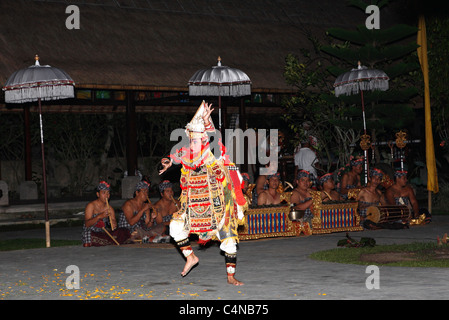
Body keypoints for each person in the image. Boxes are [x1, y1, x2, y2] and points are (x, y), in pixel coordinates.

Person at [159, 101, 247, 286]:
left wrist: (207, 122)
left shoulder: (211, 152)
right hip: (194, 205)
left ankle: (230, 276)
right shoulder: (187, 152)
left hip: (216, 204)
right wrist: (168, 162)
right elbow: (175, 156)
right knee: (175, 227)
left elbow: (215, 139)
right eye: (191, 139)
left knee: (229, 239)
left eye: (197, 139)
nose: (193, 143)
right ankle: (190, 257)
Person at [82, 181, 130, 247]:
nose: (107, 195)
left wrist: (113, 224)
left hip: (103, 233)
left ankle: (105, 241)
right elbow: (87, 224)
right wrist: (99, 216)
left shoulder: (109, 208)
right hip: (92, 232)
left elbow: (113, 227)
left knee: (123, 231)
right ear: (98, 194)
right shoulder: (91, 206)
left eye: (108, 193)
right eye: (104, 193)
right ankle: (106, 241)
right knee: (89, 234)